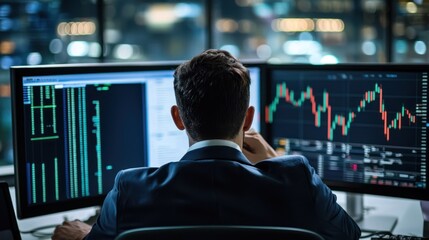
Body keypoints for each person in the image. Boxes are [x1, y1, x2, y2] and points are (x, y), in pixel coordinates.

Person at [52, 49, 361, 240]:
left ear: (178, 118)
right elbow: (349, 235)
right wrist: (275, 159)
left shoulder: (131, 189)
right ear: (247, 118)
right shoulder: (296, 177)